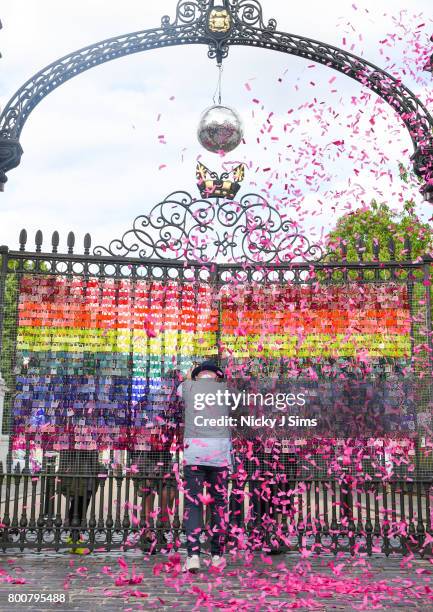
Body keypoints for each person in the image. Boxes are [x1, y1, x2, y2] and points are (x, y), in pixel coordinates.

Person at [179, 360, 232, 573]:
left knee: (193, 504)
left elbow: (181, 385)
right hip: (219, 457)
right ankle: (217, 555)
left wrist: (190, 374)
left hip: (195, 455)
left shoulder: (189, 387)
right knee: (219, 504)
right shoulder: (227, 392)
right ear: (217, 376)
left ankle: (193, 556)